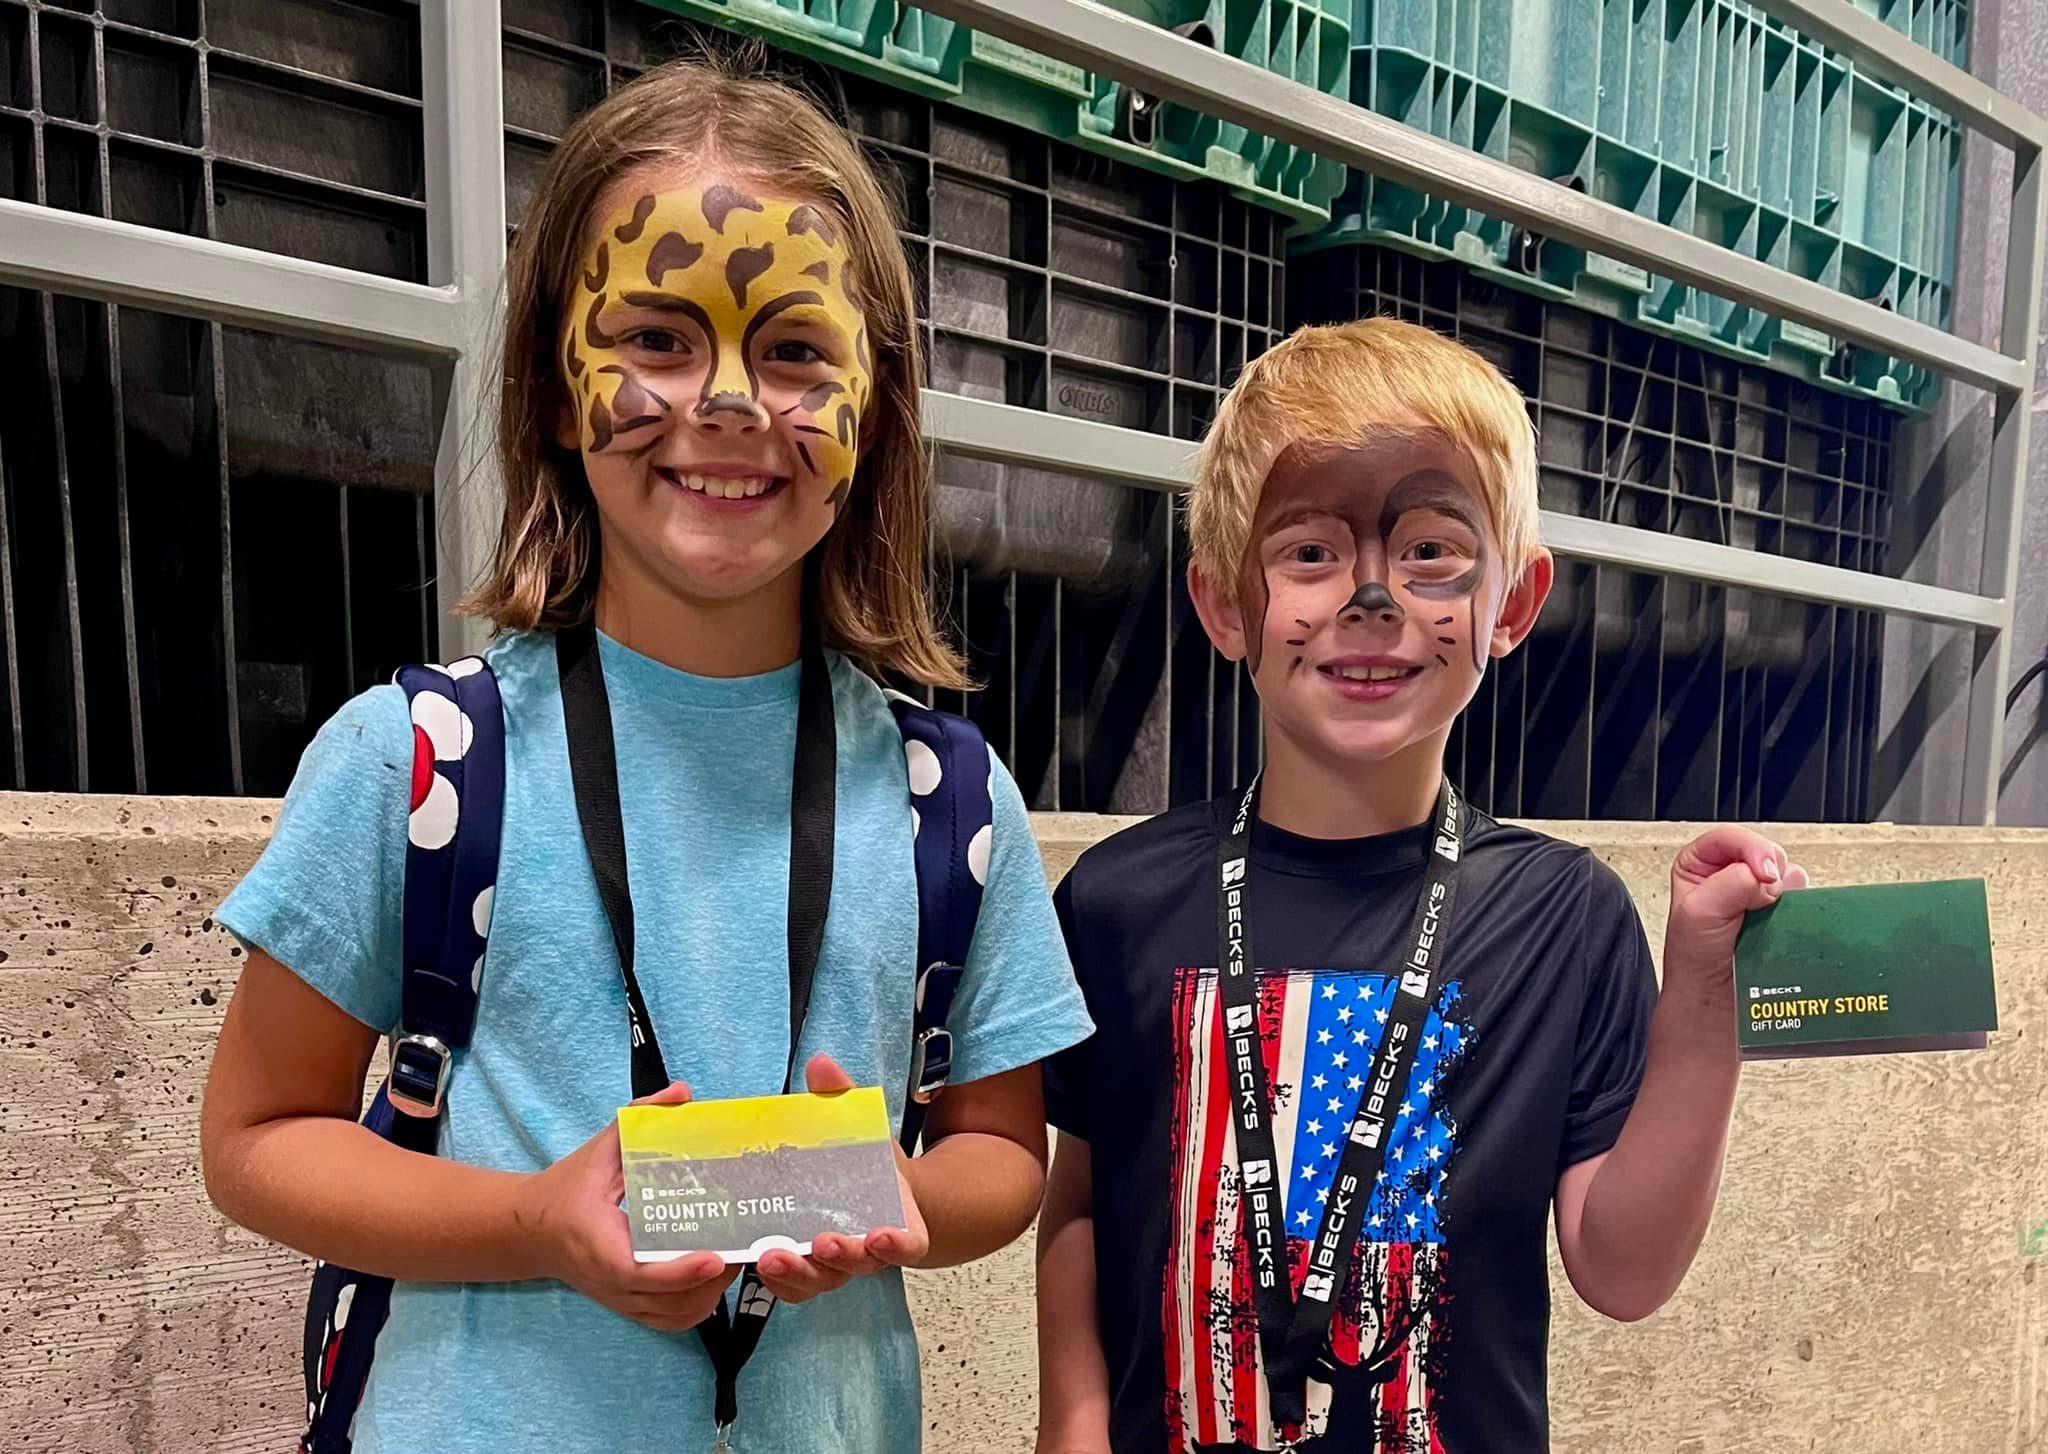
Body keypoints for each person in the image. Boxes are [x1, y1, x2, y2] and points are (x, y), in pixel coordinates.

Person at [199, 54, 1091, 1454]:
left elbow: (999, 1152)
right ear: (559, 382)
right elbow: (254, 1140)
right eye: (660, 340)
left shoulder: (949, 800)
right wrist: (534, 1221)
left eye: (796, 349)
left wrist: (896, 1198)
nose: (729, 402)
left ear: (877, 401)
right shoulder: (421, 763)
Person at [1034, 318, 1807, 1454]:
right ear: (1223, 603)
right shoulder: (1116, 897)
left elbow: (1624, 1269)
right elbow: (1086, 1197)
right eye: (1307, 552)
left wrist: (1702, 991)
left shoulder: (1560, 913)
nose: (1370, 599)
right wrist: (1072, 1416)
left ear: (1511, 601)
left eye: (1431, 552)